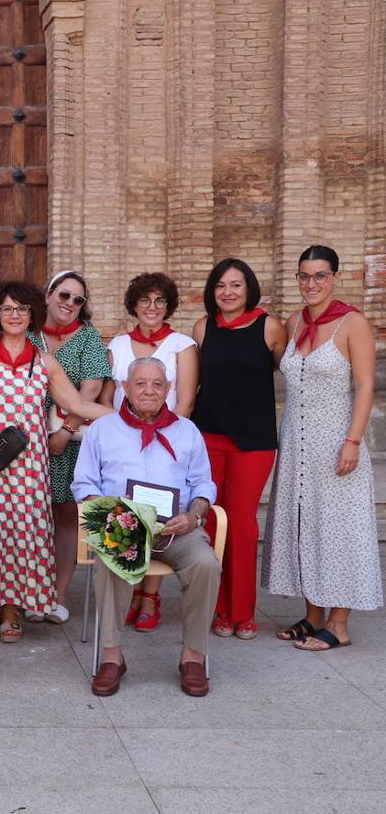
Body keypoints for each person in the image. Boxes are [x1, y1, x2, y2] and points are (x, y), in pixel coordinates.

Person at [0, 281, 111, 643]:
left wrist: (125, 418)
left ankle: (14, 608)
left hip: (32, 470)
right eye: (7, 309)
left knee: (26, 535)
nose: (15, 315)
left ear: (32, 312)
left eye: (21, 309)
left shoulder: (45, 363)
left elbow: (79, 406)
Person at [72, 357, 219, 697]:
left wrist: (194, 516)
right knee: (112, 562)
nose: (149, 390)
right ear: (125, 387)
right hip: (123, 527)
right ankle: (112, 657)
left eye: (157, 384)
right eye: (140, 383)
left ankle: (193, 657)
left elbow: (203, 485)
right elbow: (83, 484)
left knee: (206, 564)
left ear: (168, 389)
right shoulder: (103, 429)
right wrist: (111, 513)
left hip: (176, 528)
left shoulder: (187, 430)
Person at [263, 245, 381, 651]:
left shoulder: (352, 323)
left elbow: (365, 386)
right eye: (304, 276)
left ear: (334, 277)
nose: (311, 283)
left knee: (339, 529)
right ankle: (313, 616)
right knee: (303, 525)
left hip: (336, 442)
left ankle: (339, 623)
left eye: (319, 275)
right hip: (296, 444)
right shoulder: (294, 323)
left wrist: (353, 440)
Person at [191, 259, 286, 640]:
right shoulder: (202, 328)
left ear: (249, 289)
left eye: (236, 285)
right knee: (212, 520)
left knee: (243, 523)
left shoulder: (271, 327)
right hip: (209, 436)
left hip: (254, 440)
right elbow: (193, 384)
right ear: (212, 291)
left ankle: (243, 611)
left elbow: (294, 374)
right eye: (220, 286)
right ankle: (219, 609)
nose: (228, 292)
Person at [104, 272, 199, 632]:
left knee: (161, 508)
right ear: (134, 305)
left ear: (169, 305)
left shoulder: (182, 344)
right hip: (124, 443)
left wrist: (162, 439)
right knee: (128, 510)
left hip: (167, 442)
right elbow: (108, 399)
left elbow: (185, 402)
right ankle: (132, 583)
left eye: (160, 301)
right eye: (145, 300)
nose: (152, 308)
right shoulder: (117, 344)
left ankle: (151, 595)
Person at [30, 271, 110, 624]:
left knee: (64, 516)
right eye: (64, 295)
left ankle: (59, 594)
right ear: (48, 295)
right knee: (33, 517)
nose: (69, 304)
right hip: (30, 440)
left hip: (70, 442)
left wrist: (66, 429)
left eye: (78, 300)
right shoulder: (30, 336)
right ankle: (33, 590)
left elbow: (91, 391)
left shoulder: (88, 338)